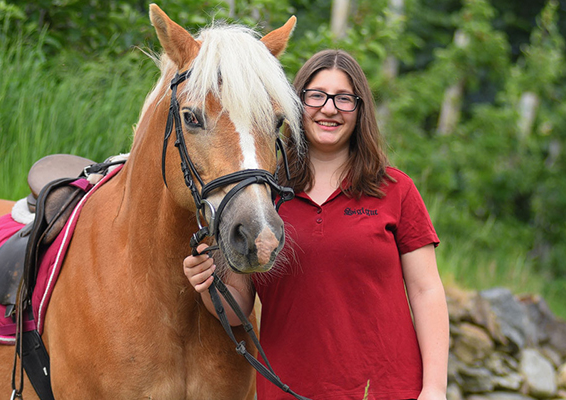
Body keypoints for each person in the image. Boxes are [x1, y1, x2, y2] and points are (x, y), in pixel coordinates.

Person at [183, 49, 449, 400]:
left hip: (388, 390)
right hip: (290, 392)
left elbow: (426, 291)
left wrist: (434, 388)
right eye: (316, 96)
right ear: (297, 104)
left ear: (360, 109)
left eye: (343, 98)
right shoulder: (261, 200)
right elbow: (238, 309)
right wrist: (207, 282)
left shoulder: (395, 190)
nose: (329, 108)